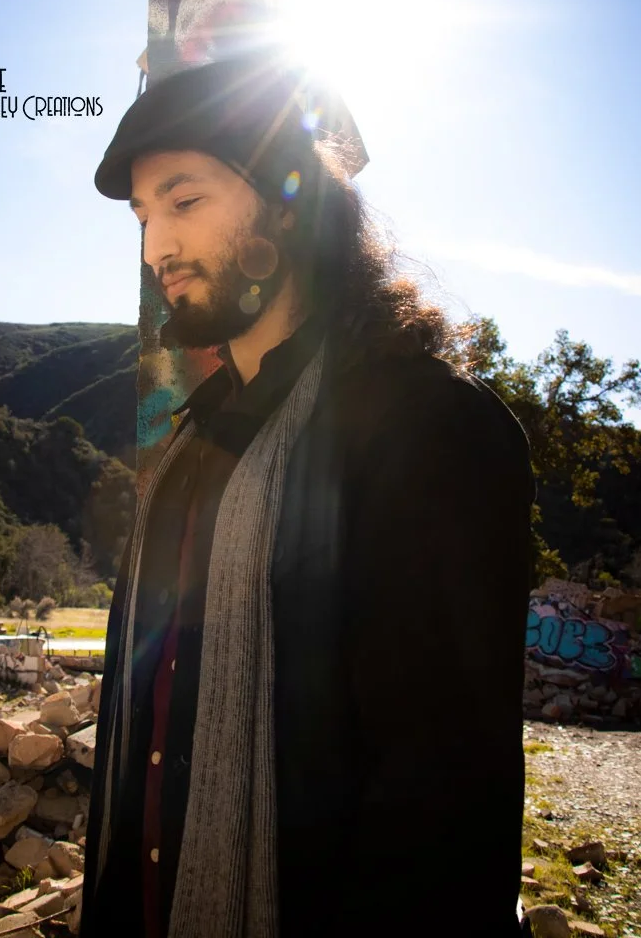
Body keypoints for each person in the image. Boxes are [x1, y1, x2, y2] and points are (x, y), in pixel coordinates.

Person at [81, 51, 534, 938]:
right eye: (143, 216)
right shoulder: (195, 444)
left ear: (284, 207)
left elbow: (442, 812)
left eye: (185, 200)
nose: (156, 248)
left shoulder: (426, 429)